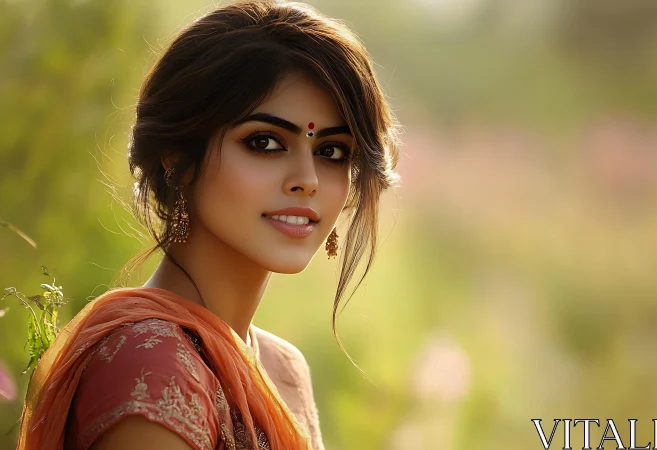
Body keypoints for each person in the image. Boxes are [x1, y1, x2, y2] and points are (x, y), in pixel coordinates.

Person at [15, 1, 401, 449]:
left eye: (331, 151)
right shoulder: (153, 368)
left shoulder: (282, 368)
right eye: (265, 142)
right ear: (178, 159)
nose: (307, 180)